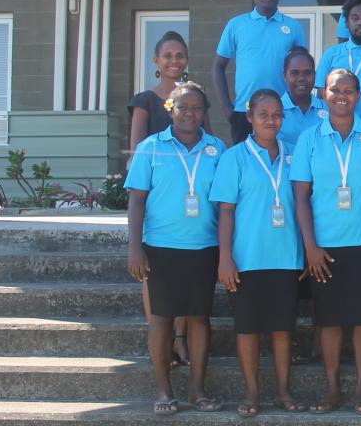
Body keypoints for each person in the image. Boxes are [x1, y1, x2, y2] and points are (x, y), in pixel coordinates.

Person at [291, 69, 361, 414]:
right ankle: (332, 389)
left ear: (359, 96)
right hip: (325, 245)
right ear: (324, 94)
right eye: (335, 90)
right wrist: (310, 246)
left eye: (349, 90)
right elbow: (300, 196)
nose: (342, 96)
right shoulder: (309, 139)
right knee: (329, 320)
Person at [124, 81, 226, 415]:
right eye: (183, 107)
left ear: (205, 113)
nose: (190, 114)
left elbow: (226, 205)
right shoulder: (151, 148)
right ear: (171, 109)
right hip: (160, 247)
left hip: (204, 247)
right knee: (161, 319)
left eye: (197, 108)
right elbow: (137, 200)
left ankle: (198, 390)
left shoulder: (217, 150)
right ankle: (163, 391)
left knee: (199, 319)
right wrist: (135, 248)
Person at [209, 89, 305, 417]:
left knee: (283, 329)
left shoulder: (295, 154)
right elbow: (225, 212)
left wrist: (305, 251)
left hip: (286, 257)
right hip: (247, 259)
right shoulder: (233, 158)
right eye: (263, 114)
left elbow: (304, 206)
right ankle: (252, 394)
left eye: (277, 114)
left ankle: (282, 392)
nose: (271, 120)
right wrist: (225, 258)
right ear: (249, 118)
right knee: (248, 329)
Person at [126, 30, 191, 369]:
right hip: (157, 198)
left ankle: (180, 338)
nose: (174, 61)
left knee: (185, 274)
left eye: (180, 55)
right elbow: (136, 152)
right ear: (156, 61)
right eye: (168, 56)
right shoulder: (144, 101)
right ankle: (159, 339)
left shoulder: (194, 98)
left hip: (190, 201)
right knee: (157, 274)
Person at [213, 0, 307, 144]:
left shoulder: (293, 27)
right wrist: (227, 108)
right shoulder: (236, 25)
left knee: (284, 161)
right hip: (245, 111)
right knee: (246, 164)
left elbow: (302, 69)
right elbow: (218, 67)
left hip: (282, 110)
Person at [278, 48, 327, 149]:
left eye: (307, 73)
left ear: (315, 75)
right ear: (285, 76)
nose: (301, 78)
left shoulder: (329, 109)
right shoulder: (275, 110)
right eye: (295, 73)